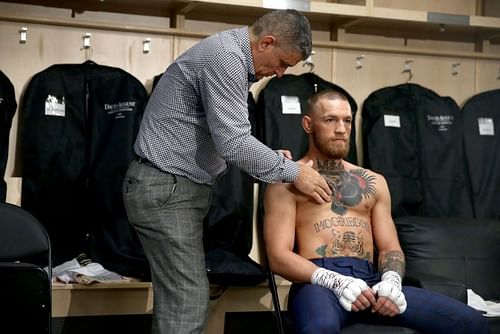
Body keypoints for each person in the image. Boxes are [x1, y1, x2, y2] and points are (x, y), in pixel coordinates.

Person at [122, 9, 332, 334]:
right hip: (167, 189)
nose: (279, 74)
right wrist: (293, 172)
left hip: (170, 188)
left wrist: (270, 158)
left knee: (180, 300)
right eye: (282, 63)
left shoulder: (228, 54)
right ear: (266, 42)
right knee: (186, 301)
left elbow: (224, 137)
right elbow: (233, 143)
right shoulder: (225, 58)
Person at [263, 89, 490, 334]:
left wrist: (391, 281)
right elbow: (277, 256)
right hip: (317, 282)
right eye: (330, 120)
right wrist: (333, 280)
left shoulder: (374, 181)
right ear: (308, 124)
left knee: (471, 322)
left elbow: (390, 248)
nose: (341, 129)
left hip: (372, 281)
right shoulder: (287, 180)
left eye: (347, 120)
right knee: (320, 327)